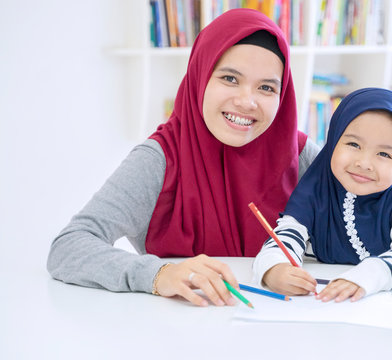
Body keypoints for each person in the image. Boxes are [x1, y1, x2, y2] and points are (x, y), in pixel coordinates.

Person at [47, 8, 319, 307]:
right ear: (200, 76)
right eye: (230, 78)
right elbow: (69, 247)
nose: (246, 101)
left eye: (266, 87)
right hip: (183, 331)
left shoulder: (301, 155)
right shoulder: (159, 159)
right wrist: (160, 274)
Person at [253, 88, 392, 302]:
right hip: (313, 306)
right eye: (353, 144)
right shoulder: (312, 194)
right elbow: (286, 236)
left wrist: (369, 276)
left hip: (379, 312)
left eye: (384, 154)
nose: (364, 163)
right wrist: (274, 268)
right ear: (333, 141)